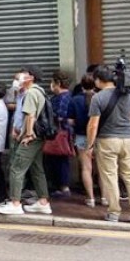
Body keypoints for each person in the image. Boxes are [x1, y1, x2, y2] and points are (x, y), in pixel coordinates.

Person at [86, 65, 130, 223]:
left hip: (107, 141)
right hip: (128, 139)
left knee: (110, 176)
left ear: (99, 80)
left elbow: (93, 125)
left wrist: (89, 145)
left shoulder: (97, 98)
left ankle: (114, 212)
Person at [0, 67, 52, 216]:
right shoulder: (33, 92)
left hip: (31, 138)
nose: (18, 78)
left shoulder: (32, 93)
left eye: (22, 75)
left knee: (16, 168)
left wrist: (27, 134)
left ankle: (15, 203)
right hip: (37, 137)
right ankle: (43, 202)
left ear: (30, 77)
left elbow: (30, 116)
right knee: (36, 169)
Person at [68, 74, 98, 207]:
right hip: (99, 137)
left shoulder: (75, 100)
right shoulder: (99, 98)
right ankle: (104, 197)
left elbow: (70, 120)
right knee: (102, 169)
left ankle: (90, 198)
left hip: (81, 136)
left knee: (86, 168)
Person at [45, 71, 73, 199]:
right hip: (61, 133)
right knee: (58, 160)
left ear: (58, 83)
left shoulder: (62, 98)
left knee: (60, 160)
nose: (51, 85)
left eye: (53, 82)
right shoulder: (67, 96)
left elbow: (60, 115)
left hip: (58, 133)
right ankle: (60, 186)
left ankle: (63, 187)